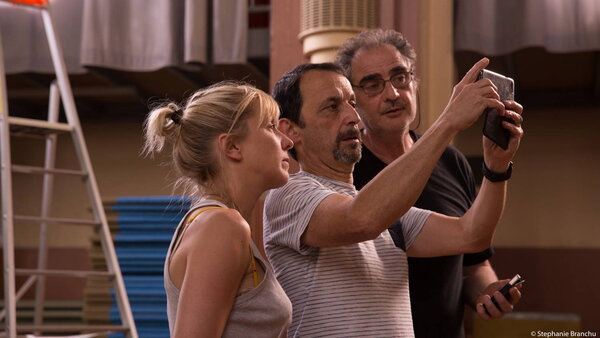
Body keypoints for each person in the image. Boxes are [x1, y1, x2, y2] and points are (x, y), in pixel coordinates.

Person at [264, 61, 523, 337]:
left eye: (352, 103)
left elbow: (471, 235)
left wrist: (496, 168)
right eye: (332, 107)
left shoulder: (384, 212)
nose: (354, 117)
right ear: (290, 130)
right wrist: (448, 122)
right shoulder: (287, 195)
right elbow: (360, 220)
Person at [336, 28, 522, 337]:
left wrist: (487, 292)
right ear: (353, 102)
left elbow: (474, 262)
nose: (393, 94)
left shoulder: (452, 162)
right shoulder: (345, 171)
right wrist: (449, 121)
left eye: (400, 78)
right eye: (372, 85)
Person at [143, 82, 293, 337]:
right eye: (270, 127)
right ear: (232, 146)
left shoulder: (223, 223)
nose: (287, 141)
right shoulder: (221, 226)